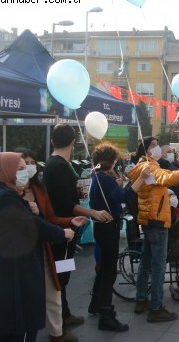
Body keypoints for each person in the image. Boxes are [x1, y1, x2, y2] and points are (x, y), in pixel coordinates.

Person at [0, 152, 74, 342]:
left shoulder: (9, 194)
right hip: (13, 275)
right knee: (20, 327)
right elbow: (32, 226)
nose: (26, 173)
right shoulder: (5, 197)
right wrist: (62, 233)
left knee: (12, 329)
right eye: (21, 169)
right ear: (6, 171)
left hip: (13, 272)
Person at [127, 136, 179, 322]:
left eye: (158, 145)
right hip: (156, 221)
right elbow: (167, 177)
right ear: (145, 150)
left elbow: (167, 174)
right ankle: (156, 307)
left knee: (147, 263)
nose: (157, 149)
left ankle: (141, 299)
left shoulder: (148, 166)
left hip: (151, 220)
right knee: (158, 266)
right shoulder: (147, 167)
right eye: (153, 146)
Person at [44, 124, 113, 330]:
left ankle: (64, 313)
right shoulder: (61, 167)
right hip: (63, 230)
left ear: (52, 141)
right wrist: (92, 212)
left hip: (62, 228)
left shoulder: (52, 164)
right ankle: (59, 322)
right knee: (61, 275)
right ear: (73, 142)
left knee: (62, 273)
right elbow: (66, 204)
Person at [16, 148, 86, 342]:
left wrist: (70, 221)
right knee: (27, 297)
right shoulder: (11, 192)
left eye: (31, 163)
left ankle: (58, 332)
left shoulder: (40, 189)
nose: (28, 168)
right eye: (23, 165)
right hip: (24, 252)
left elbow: (50, 218)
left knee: (55, 290)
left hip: (47, 248)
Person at [88, 142, 152, 332]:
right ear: (111, 160)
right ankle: (106, 315)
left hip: (102, 228)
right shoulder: (105, 179)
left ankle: (96, 303)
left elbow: (113, 193)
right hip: (109, 227)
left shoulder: (96, 175)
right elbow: (123, 196)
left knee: (104, 269)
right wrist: (140, 178)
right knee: (108, 271)